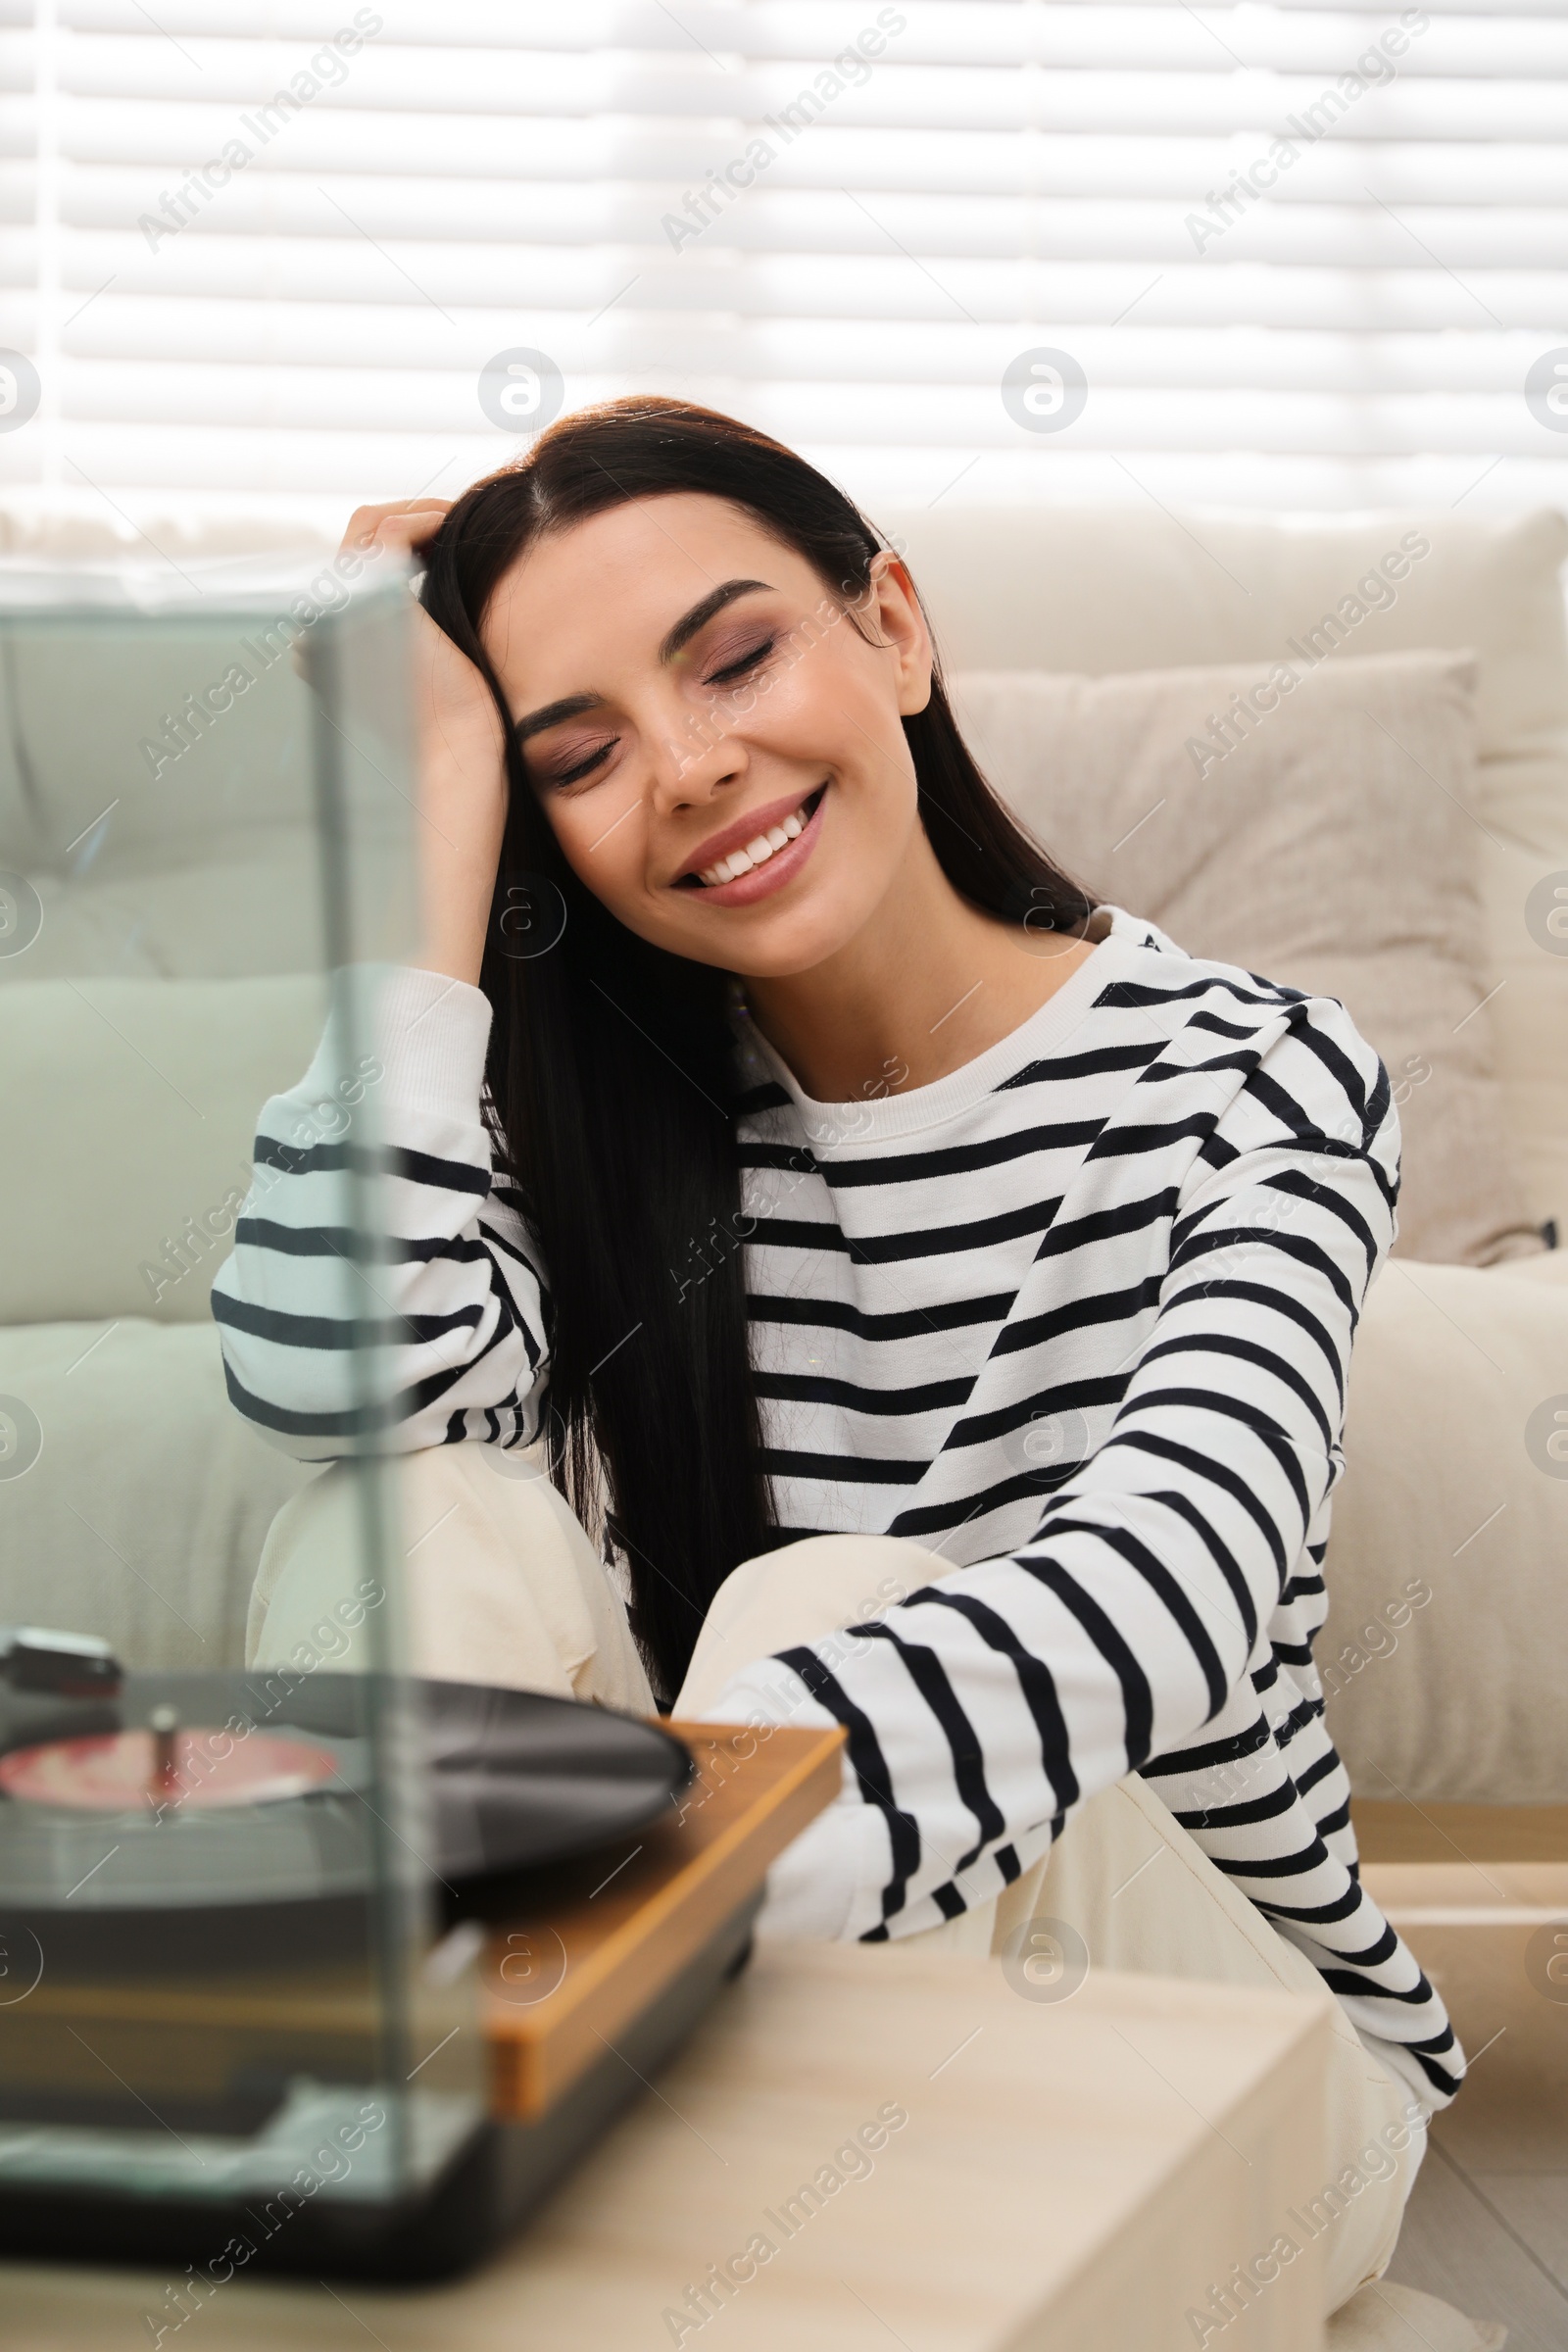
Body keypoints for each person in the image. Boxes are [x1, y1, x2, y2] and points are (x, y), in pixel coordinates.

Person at [214, 397, 1460, 2315]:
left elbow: (1173, 1582)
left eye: (736, 657)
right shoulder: (618, 1127)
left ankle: (460, 2115)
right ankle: (443, 2147)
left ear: (889, 624)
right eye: (579, 754)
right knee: (418, 1504)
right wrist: (419, 840)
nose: (696, 768)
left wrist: (646, 1910)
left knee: (836, 1588)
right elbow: (329, 1380)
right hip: (737, 2019)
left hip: (1230, 2054)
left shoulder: (1249, 1076)